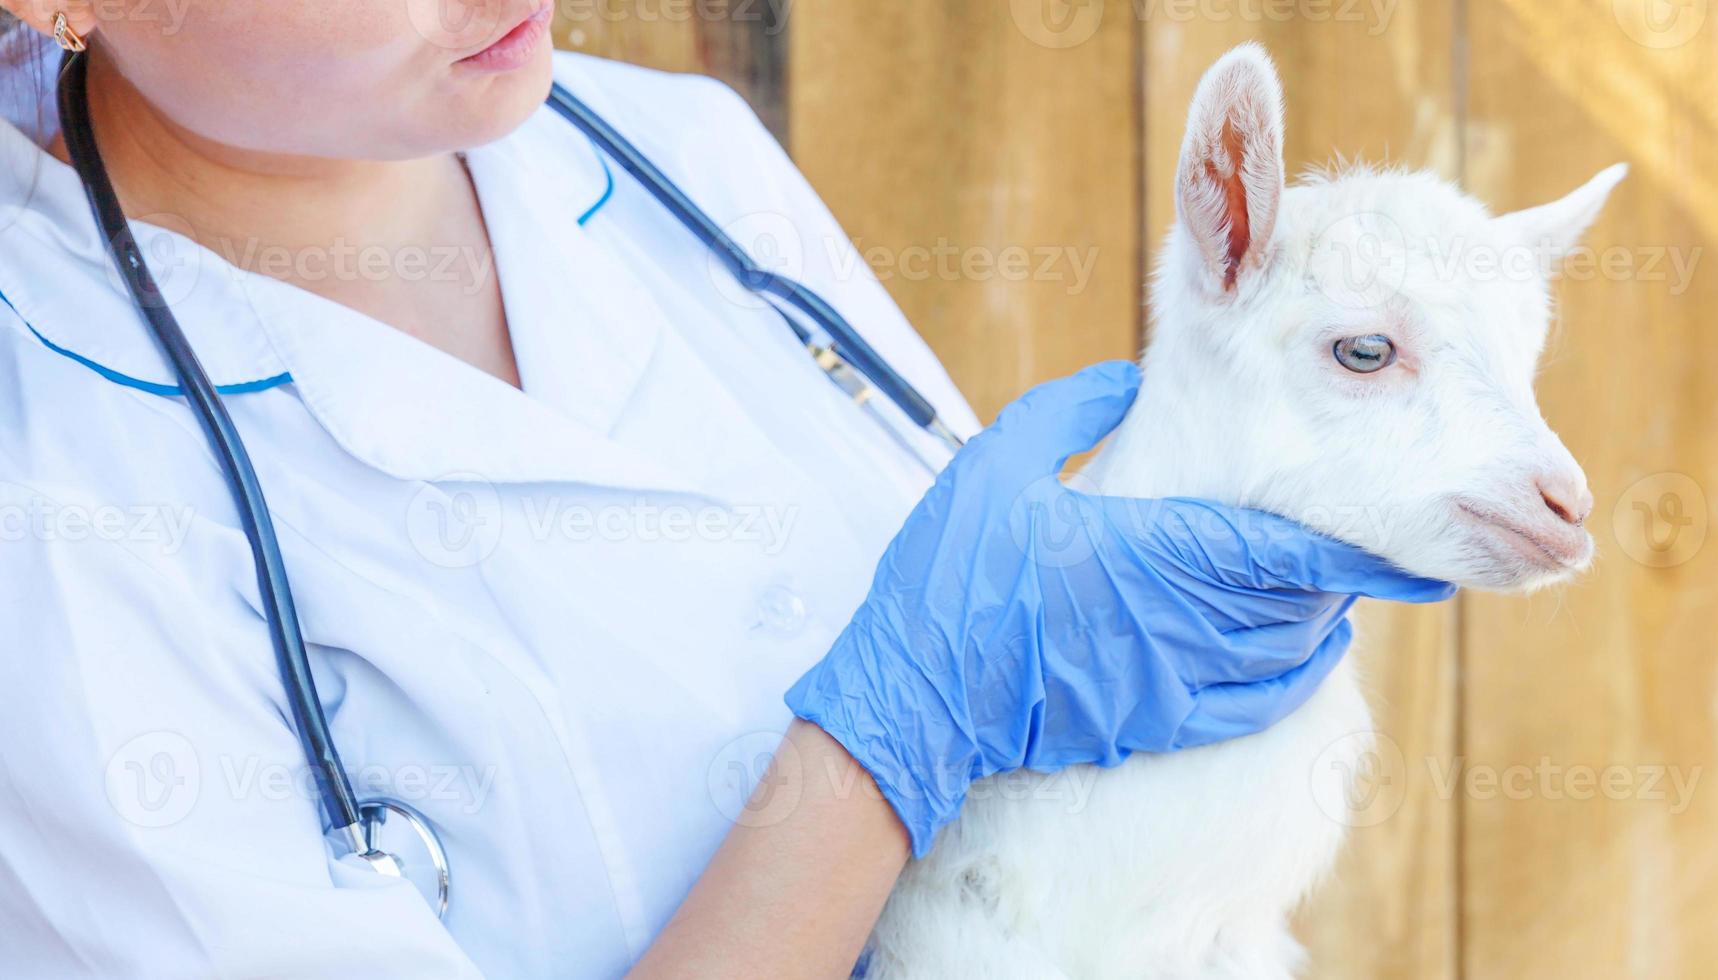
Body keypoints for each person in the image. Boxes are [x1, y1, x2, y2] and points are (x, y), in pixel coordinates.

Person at [0, 4, 1451, 976]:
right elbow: (945, 675)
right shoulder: (58, 496)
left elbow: (1027, 724)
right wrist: (895, 732)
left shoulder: (673, 152)